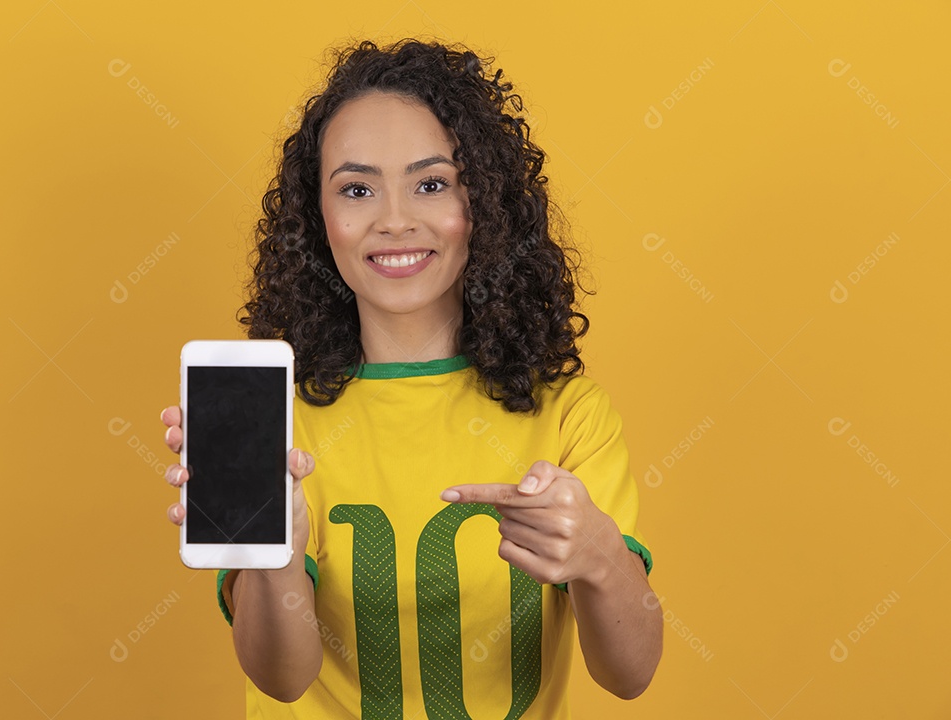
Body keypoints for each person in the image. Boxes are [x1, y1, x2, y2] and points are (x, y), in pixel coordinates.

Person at [160, 37, 663, 718]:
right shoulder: (278, 422)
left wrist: (599, 554)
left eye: (431, 184)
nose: (395, 221)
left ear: (481, 203)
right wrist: (274, 546)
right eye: (358, 189)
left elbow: (630, 673)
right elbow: (281, 678)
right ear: (320, 220)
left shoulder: (569, 412)